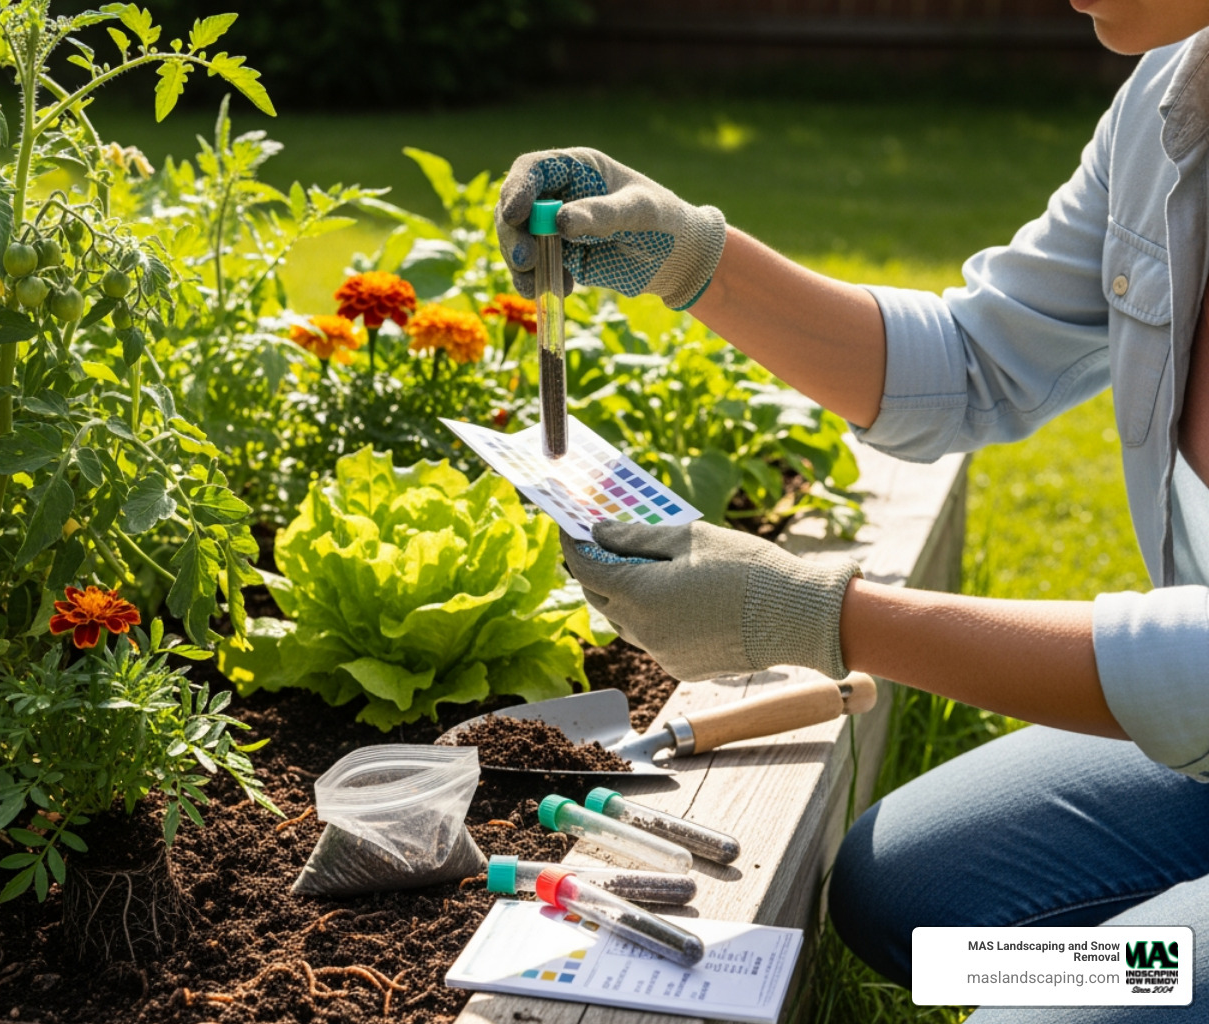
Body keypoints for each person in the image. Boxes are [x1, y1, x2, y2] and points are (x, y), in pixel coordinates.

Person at [494, 3, 1209, 1020]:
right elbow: (974, 362)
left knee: (1059, 1010)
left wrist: (823, 614)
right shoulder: (1172, 105)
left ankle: (1127, 982)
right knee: (900, 902)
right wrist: (693, 259)